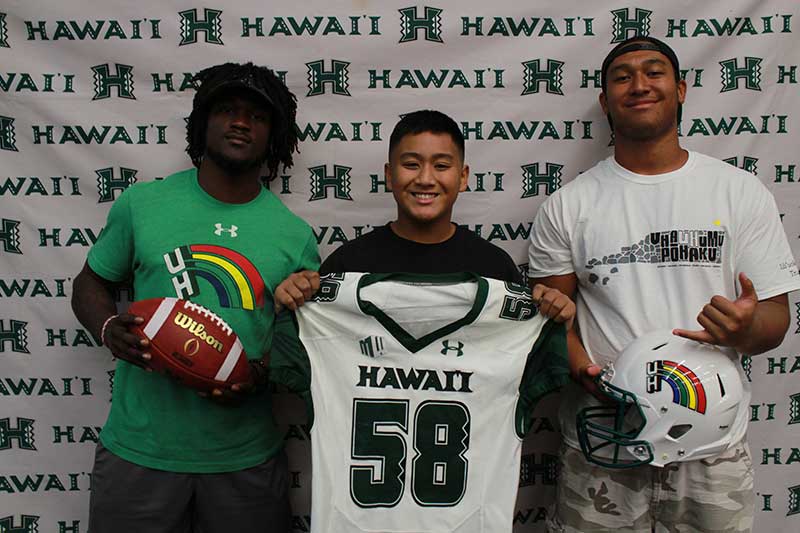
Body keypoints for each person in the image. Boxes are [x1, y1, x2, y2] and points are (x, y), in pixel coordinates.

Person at [528, 36, 800, 532]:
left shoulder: (738, 192)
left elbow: (776, 321)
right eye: (622, 76)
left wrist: (744, 328)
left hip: (711, 445)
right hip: (606, 437)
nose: (639, 84)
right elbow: (551, 320)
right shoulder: (568, 206)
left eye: (653, 72)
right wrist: (584, 369)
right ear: (605, 101)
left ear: (681, 89)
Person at [71, 62, 319, 533]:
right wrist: (107, 327)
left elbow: (301, 345)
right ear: (202, 121)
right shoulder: (142, 205)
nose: (240, 122)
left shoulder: (294, 236)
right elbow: (90, 282)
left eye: (257, 116)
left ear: (275, 135)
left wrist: (261, 374)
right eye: (226, 109)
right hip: (139, 453)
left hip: (244, 458)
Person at [276, 109, 574, 324]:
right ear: (389, 176)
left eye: (441, 166)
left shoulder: (495, 267)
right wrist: (294, 298)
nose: (425, 179)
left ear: (463, 177)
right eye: (411, 164)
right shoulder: (347, 264)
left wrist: (553, 312)